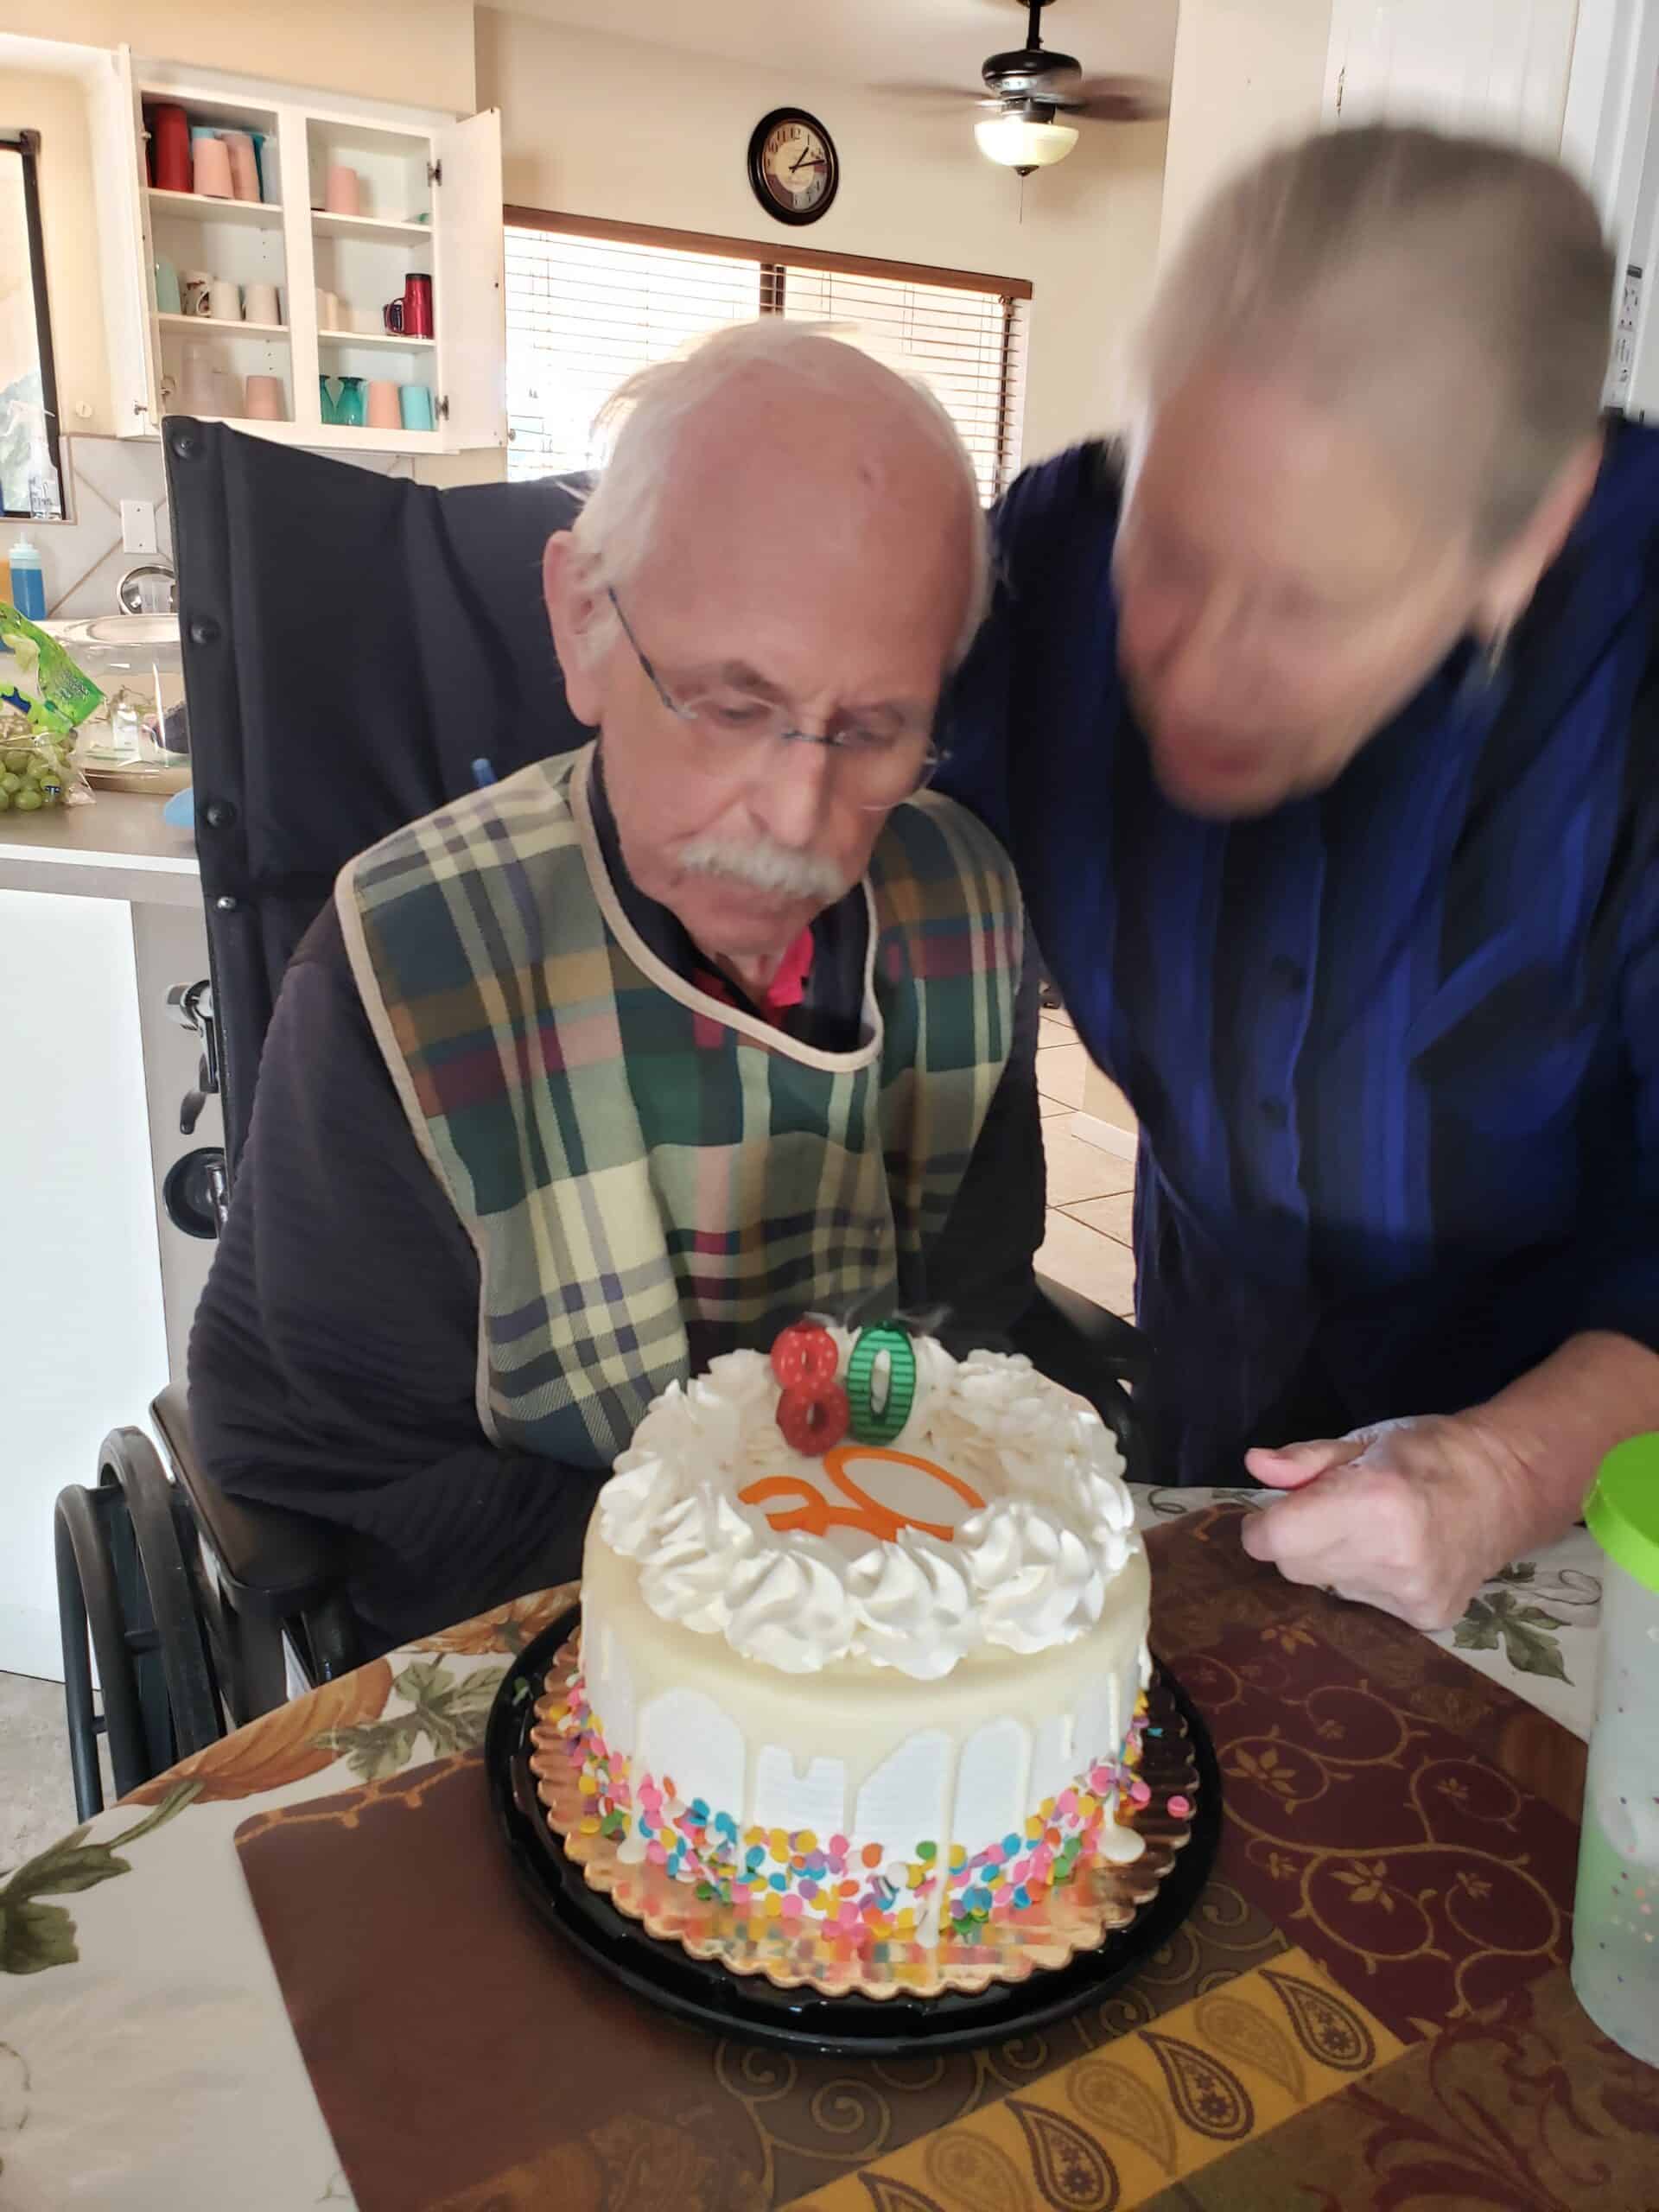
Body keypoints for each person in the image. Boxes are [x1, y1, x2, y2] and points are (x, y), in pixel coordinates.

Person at [188, 324, 1045, 1652]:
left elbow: (976, 1319)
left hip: (890, 1607)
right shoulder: (402, 974)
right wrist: (741, 1595)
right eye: (727, 700)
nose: (798, 813)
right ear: (585, 623)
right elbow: (350, 1471)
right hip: (542, 1629)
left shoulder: (969, 914)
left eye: (875, 729)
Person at [940, 124, 1659, 1631]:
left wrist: (1501, 1471)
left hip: (1586, 1492)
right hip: (1212, 1367)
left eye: (1309, 605)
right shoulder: (1051, 561)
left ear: (1521, 538)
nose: (1192, 674)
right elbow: (875, 848)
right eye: (1175, 554)